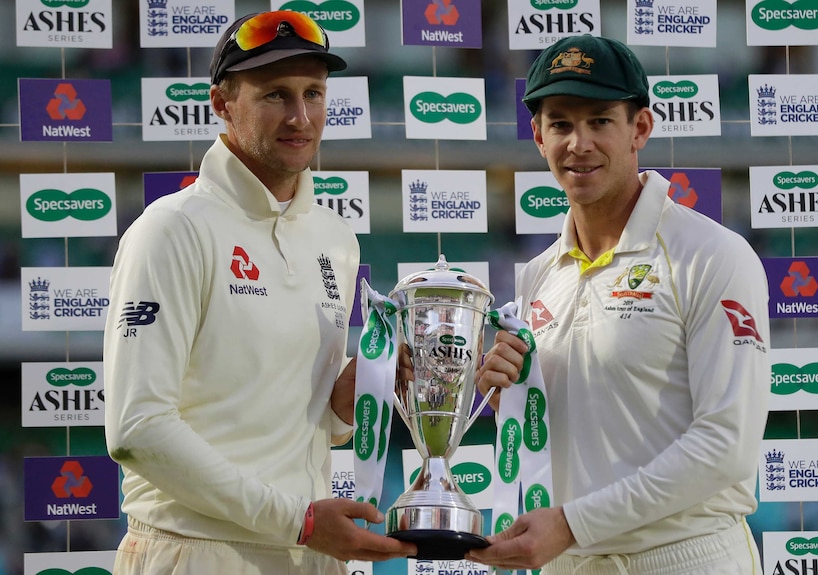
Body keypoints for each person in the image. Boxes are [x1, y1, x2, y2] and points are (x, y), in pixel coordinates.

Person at [103, 10, 416, 574]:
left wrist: (353, 393)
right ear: (221, 104)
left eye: (313, 93)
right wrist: (298, 520)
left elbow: (305, 421)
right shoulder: (172, 228)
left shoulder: (334, 239)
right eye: (275, 95)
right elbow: (138, 428)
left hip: (311, 554)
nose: (301, 117)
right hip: (197, 552)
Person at [468, 34, 771, 574]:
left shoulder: (713, 256)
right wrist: (511, 407)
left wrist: (571, 524)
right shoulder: (539, 276)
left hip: (683, 558)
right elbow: (581, 435)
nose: (578, 143)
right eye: (560, 123)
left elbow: (726, 446)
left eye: (600, 120)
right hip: (569, 561)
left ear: (641, 129)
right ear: (538, 136)